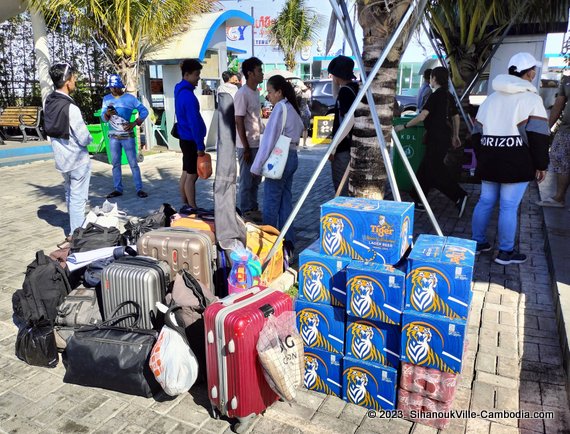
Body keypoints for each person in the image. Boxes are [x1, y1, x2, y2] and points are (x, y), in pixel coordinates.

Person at [470, 52, 549, 265]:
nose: (534, 73)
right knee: (508, 206)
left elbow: (476, 132)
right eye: (534, 70)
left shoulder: (490, 99)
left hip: (489, 159)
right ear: (530, 73)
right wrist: (541, 165)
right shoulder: (532, 99)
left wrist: (484, 153)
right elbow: (538, 137)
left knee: (485, 201)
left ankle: (476, 244)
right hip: (516, 162)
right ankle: (505, 252)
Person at [395, 66, 468, 217]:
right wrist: (455, 135)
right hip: (443, 138)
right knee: (425, 170)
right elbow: (455, 117)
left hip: (436, 139)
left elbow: (422, 116)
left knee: (435, 171)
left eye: (431, 78)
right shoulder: (448, 95)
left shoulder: (435, 96)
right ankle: (418, 201)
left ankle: (459, 195)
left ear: (435, 78)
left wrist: (403, 126)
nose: (430, 80)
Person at [251, 75, 304, 255]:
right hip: (292, 156)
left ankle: (269, 243)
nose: (268, 95)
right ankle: (288, 241)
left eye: (270, 91)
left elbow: (269, 141)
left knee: (271, 202)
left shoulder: (280, 108)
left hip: (280, 159)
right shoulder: (292, 107)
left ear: (279, 92)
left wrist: (256, 167)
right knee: (285, 201)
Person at [43, 63, 92, 239]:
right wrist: (91, 140)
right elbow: (83, 137)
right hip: (78, 160)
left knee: (70, 194)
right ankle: (76, 234)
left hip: (62, 160)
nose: (75, 81)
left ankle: (74, 229)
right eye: (73, 78)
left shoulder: (49, 102)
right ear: (67, 82)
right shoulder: (71, 108)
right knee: (78, 198)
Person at [101, 74, 149, 199]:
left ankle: (139, 189)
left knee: (133, 163)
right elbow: (103, 118)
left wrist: (135, 123)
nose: (113, 90)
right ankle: (118, 189)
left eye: (115, 87)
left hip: (127, 136)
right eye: (111, 88)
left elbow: (144, 111)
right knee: (115, 164)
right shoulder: (106, 99)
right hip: (113, 137)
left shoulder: (130, 98)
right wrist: (107, 113)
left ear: (120, 86)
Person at [174, 59, 207, 209]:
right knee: (192, 176)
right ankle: (192, 207)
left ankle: (185, 203)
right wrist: (200, 145)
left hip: (184, 138)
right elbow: (194, 123)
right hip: (191, 140)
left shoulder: (179, 90)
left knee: (186, 173)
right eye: (196, 75)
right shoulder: (188, 97)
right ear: (186, 75)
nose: (198, 78)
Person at [235, 57, 264, 218]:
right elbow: (238, 120)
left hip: (257, 143)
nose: (262, 73)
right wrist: (245, 147)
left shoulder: (255, 92)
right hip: (246, 146)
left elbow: (255, 119)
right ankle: (246, 211)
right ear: (250, 73)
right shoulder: (242, 93)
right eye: (259, 70)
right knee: (246, 181)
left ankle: (253, 208)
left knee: (256, 180)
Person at [536, 74, 570, 208]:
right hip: (566, 129)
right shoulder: (567, 81)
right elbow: (558, 105)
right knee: (559, 158)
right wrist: (547, 128)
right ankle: (559, 198)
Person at [328, 55, 359, 196]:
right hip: (351, 146)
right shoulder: (353, 88)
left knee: (341, 188)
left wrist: (333, 147)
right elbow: (336, 97)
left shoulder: (346, 92)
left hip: (343, 148)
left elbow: (349, 120)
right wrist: (335, 80)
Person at [295, 82, 312, 148]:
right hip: (305, 112)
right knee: (305, 129)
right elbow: (309, 102)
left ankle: (297, 143)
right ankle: (304, 143)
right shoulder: (306, 94)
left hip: (298, 112)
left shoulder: (296, 95)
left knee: (297, 129)